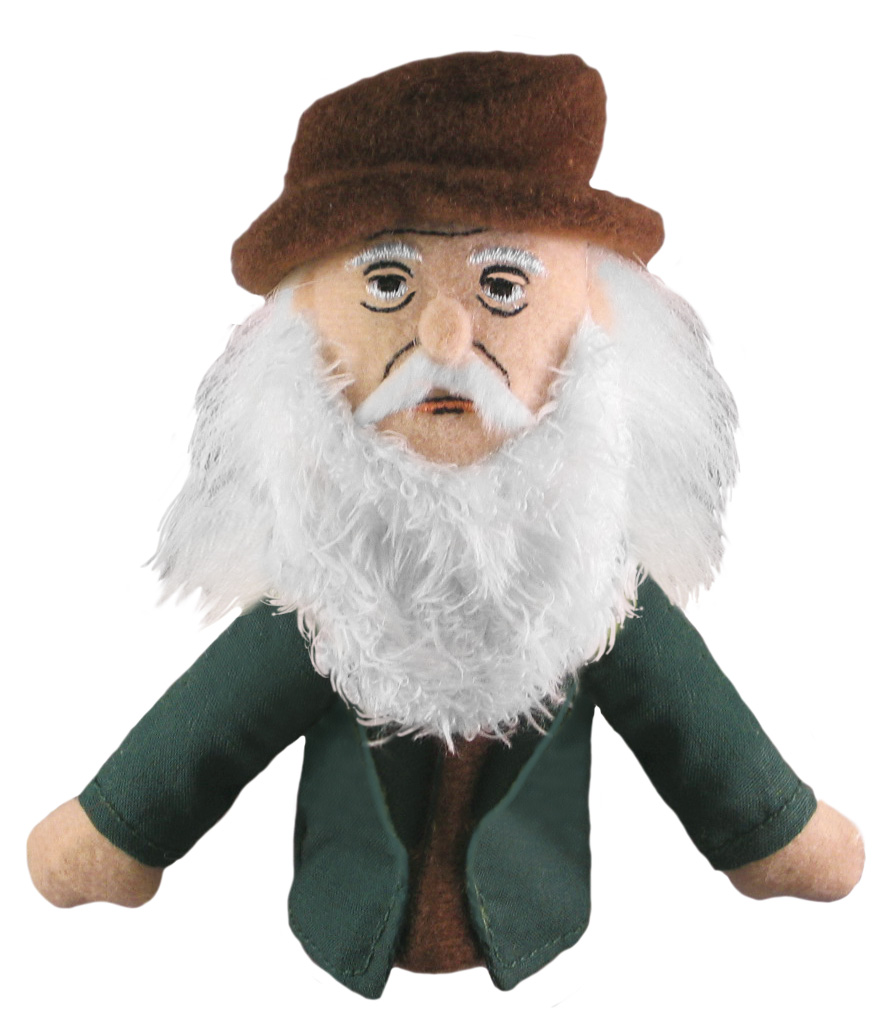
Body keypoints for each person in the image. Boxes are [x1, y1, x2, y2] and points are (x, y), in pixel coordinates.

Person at [27, 52, 863, 999]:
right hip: (338, 919)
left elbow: (696, 728)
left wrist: (772, 832)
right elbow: (209, 727)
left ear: (593, 324)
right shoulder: (329, 582)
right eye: (389, 283)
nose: (444, 340)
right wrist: (119, 830)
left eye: (502, 285)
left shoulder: (590, 583)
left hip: (547, 923)